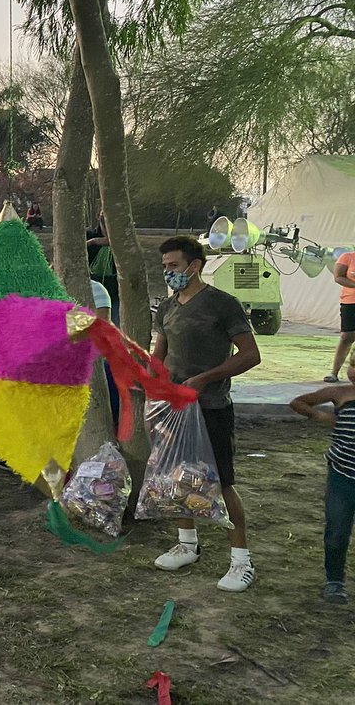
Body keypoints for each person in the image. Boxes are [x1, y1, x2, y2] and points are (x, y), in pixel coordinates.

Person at [151, 235, 262, 592]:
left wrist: (205, 379)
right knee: (178, 477)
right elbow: (159, 355)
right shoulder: (166, 308)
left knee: (222, 482)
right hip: (174, 408)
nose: (169, 273)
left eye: (174, 266)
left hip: (211, 407)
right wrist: (148, 381)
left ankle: (241, 561)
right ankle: (187, 544)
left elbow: (249, 355)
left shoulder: (222, 304)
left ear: (194, 266)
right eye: (165, 267)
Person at [290, 369, 355, 601]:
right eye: (353, 364)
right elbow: (298, 402)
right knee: (337, 530)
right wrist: (320, 416)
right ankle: (334, 580)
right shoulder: (340, 393)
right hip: (342, 474)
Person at [325, 249, 355, 383]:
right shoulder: (347, 257)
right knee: (346, 337)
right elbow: (338, 277)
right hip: (350, 302)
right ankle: (334, 372)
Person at [86, 210, 118, 324]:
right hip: (94, 291)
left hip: (115, 292)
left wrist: (111, 242)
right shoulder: (89, 235)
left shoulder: (121, 240)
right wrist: (92, 242)